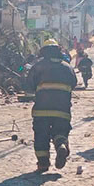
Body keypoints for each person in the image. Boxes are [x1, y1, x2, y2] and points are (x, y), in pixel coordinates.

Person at [26, 38, 78, 172]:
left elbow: (29, 85)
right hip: (62, 109)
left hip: (41, 109)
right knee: (60, 132)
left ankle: (43, 164)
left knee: (41, 136)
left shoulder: (37, 66)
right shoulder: (67, 67)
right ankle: (60, 144)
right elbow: (73, 84)